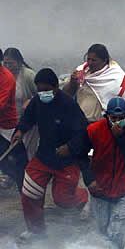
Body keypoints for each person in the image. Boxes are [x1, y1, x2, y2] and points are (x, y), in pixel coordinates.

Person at [11, 68, 89, 239]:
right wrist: (20, 131)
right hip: (44, 156)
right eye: (39, 90)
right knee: (30, 192)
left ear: (55, 88)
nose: (42, 93)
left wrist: (69, 147)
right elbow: (27, 119)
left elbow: (83, 131)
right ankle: (35, 231)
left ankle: (83, 198)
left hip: (66, 161)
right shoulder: (37, 102)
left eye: (46, 90)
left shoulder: (68, 105)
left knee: (62, 198)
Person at [81, 97, 125, 249]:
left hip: (124, 190)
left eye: (121, 118)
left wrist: (121, 138)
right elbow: (81, 156)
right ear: (107, 116)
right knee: (103, 230)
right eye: (113, 118)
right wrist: (90, 181)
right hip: (100, 189)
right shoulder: (93, 130)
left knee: (116, 232)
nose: (117, 122)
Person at [64, 44, 125, 123]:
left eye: (94, 60)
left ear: (104, 60)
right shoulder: (81, 72)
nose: (90, 63)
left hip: (103, 124)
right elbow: (66, 94)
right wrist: (73, 82)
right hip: (81, 122)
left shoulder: (115, 76)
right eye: (88, 59)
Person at [3, 47, 38, 159]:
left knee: (27, 151)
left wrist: (31, 101)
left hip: (27, 120)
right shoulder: (3, 76)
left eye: (11, 63)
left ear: (19, 62)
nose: (8, 66)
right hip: (9, 121)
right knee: (10, 150)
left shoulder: (28, 75)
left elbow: (41, 94)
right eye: (6, 63)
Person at [0, 49, 27, 191]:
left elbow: (1, 104)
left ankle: (24, 188)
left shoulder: (6, 78)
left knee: (18, 160)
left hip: (7, 126)